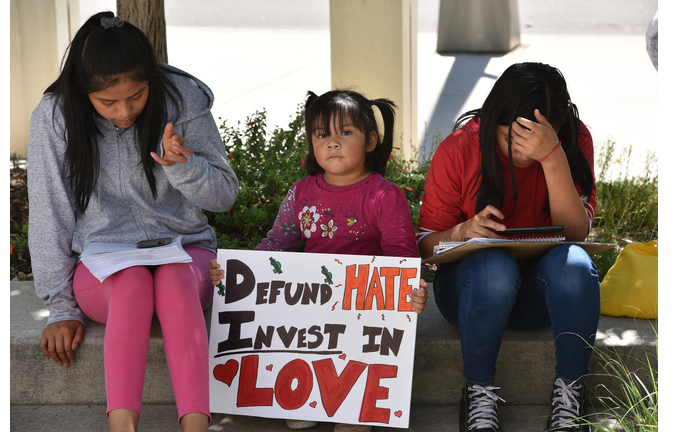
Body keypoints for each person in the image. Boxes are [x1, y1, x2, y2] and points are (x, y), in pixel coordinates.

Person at [27, 12, 239, 432]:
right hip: (104, 266)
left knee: (174, 277)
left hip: (185, 253)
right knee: (133, 280)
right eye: (107, 102)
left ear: (151, 81)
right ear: (84, 90)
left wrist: (184, 166)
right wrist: (60, 307)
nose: (124, 111)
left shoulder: (182, 98)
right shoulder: (55, 116)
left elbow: (224, 197)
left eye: (137, 96)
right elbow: (49, 210)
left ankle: (196, 426)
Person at [209, 90, 429, 432]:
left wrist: (410, 289)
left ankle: (354, 404)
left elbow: (401, 255)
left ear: (370, 141)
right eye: (322, 135)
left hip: (364, 310)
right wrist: (239, 273)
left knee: (357, 358)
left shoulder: (385, 196)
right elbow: (278, 244)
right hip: (312, 311)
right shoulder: (301, 193)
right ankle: (308, 393)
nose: (333, 143)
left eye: (346, 133)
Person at [417, 62, 599, 432]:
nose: (523, 155)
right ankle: (479, 393)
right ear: (489, 122)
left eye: (537, 144)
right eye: (511, 140)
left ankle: (570, 397)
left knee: (576, 264)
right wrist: (465, 230)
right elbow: (426, 246)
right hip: (472, 292)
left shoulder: (574, 141)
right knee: (494, 267)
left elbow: (576, 233)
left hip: (539, 296)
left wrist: (554, 159)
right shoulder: (459, 149)